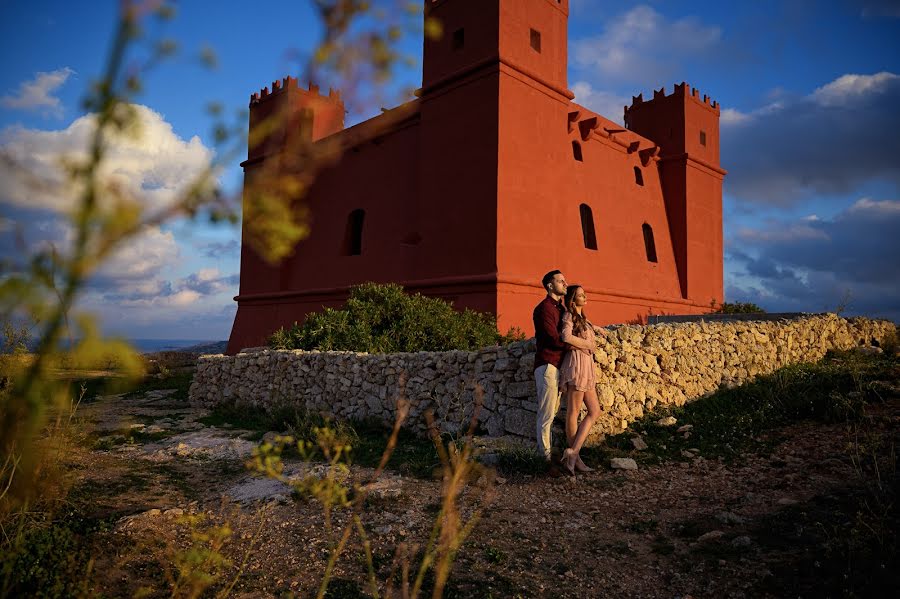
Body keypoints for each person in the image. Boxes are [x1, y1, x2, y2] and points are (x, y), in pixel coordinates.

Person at [559, 284, 605, 475]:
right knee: (574, 411)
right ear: (572, 300)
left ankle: (573, 452)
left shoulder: (583, 319)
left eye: (584, 294)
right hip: (577, 365)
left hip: (586, 365)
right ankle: (575, 460)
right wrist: (588, 343)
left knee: (595, 411)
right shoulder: (569, 316)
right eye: (580, 295)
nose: (585, 297)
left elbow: (586, 331)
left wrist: (598, 330)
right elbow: (565, 336)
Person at [533, 269, 567, 462]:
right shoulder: (545, 308)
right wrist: (574, 343)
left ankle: (547, 454)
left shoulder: (560, 309)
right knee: (546, 414)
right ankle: (543, 458)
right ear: (550, 285)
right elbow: (552, 338)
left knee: (551, 413)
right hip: (548, 364)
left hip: (556, 365)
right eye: (560, 281)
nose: (565, 283)